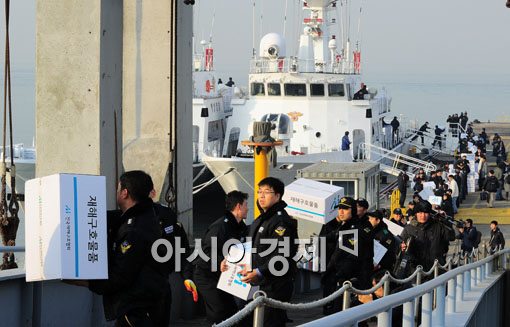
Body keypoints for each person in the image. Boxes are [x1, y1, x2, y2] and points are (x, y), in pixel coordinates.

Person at [69, 171, 170, 326]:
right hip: (151, 303)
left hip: (137, 311)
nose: (116, 193)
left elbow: (120, 276)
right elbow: (116, 218)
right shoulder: (148, 214)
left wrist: (84, 282)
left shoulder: (133, 231)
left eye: (118, 189)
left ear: (124, 193)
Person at [240, 177, 298, 326]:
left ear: (277, 196)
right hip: (261, 282)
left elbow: (281, 255)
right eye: (259, 192)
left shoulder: (280, 221)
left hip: (275, 284)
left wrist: (259, 272)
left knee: (270, 322)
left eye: (266, 192)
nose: (261, 196)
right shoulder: (263, 219)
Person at [195, 191, 249, 324]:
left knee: (231, 312)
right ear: (238, 206)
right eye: (246, 204)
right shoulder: (220, 227)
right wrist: (219, 261)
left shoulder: (240, 227)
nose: (248, 208)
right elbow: (206, 251)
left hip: (222, 277)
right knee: (218, 311)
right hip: (207, 276)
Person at [321, 197, 373, 315]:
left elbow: (349, 258)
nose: (341, 211)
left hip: (350, 281)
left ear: (353, 210)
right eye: (339, 208)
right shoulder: (345, 226)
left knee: (344, 315)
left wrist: (332, 273)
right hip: (344, 279)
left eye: (345, 208)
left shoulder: (355, 229)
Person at [400, 200, 456, 272]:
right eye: (420, 213)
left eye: (425, 213)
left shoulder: (438, 226)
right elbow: (401, 244)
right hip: (416, 270)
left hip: (436, 268)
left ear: (430, 214)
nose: (423, 216)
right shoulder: (409, 228)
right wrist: (402, 246)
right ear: (416, 213)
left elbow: (452, 237)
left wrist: (445, 222)